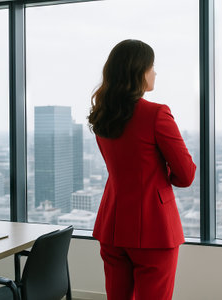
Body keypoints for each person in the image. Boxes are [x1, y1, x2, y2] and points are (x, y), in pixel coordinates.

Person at [88, 39, 196, 300]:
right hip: (153, 229)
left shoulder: (102, 115)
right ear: (139, 72)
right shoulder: (157, 114)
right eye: (151, 66)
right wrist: (162, 177)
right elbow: (187, 174)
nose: (155, 72)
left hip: (112, 225)